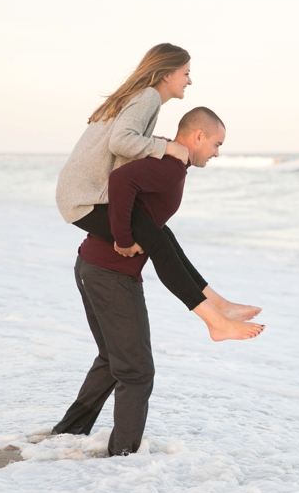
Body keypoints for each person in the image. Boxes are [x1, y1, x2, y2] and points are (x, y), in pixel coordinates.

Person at [53, 107, 261, 456]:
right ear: (197, 136)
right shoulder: (168, 166)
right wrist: (121, 238)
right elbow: (120, 183)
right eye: (216, 144)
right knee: (137, 373)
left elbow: (157, 232)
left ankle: (65, 437)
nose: (217, 153)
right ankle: (122, 461)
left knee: (112, 360)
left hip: (93, 268)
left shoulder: (168, 159)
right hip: (110, 275)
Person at [56, 43, 262, 341]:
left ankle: (219, 306)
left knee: (163, 236)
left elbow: (127, 139)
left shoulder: (140, 97)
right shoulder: (148, 97)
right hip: (85, 198)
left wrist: (161, 142)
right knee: (159, 244)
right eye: (186, 73)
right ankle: (214, 322)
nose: (189, 81)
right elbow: (121, 142)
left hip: (81, 192)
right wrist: (167, 147)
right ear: (166, 74)